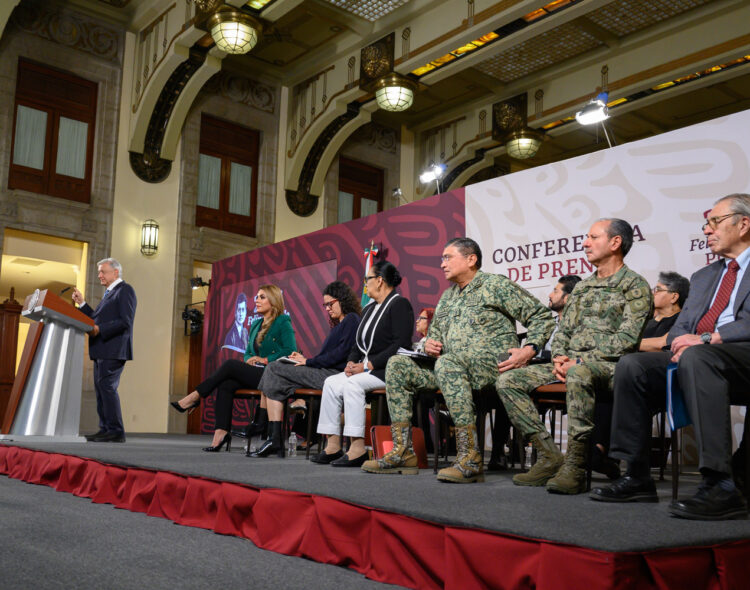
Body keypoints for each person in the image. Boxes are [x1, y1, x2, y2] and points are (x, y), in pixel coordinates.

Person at [592, 194, 750, 520]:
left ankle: (720, 484)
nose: (707, 230)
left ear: (743, 224)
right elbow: (682, 327)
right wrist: (680, 343)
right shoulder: (705, 276)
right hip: (702, 354)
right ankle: (635, 474)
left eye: (715, 222)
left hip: (740, 352)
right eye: (706, 224)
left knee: (700, 357)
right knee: (632, 365)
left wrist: (706, 339)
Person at [362, 237, 555, 482]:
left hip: (492, 365)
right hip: (450, 367)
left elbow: (541, 316)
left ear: (471, 259)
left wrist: (529, 349)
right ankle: (403, 451)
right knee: (398, 365)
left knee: (448, 363)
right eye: (442, 258)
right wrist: (428, 344)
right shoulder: (448, 296)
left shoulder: (495, 285)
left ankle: (469, 457)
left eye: (448, 257)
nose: (442, 264)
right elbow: (434, 336)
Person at [496, 218, 652, 494]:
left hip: (611, 368)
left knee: (580, 374)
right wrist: (558, 358)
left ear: (615, 242)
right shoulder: (582, 287)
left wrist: (578, 362)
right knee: (508, 381)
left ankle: (576, 465)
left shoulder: (634, 286)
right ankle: (549, 455)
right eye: (586, 237)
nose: (585, 243)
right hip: (570, 364)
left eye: (593, 237)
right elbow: (564, 331)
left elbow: (627, 341)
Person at [312, 261, 413, 467]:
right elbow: (358, 345)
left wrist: (368, 365)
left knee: (352, 385)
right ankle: (332, 446)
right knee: (331, 382)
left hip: (386, 370)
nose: (365, 283)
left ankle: (357, 449)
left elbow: (400, 344)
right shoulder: (368, 309)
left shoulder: (399, 304)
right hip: (364, 369)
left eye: (368, 279)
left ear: (380, 280)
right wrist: (351, 362)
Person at [171, 285, 296, 452]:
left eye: (262, 297)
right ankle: (220, 433)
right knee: (226, 384)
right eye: (257, 297)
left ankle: (196, 396)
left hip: (272, 374)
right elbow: (248, 353)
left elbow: (290, 350)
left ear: (273, 300)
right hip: (256, 372)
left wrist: (265, 359)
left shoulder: (282, 321)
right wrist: (249, 359)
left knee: (230, 365)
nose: (257, 301)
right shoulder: (256, 324)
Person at [247, 281, 361, 458]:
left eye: (330, 304)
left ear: (343, 300)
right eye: (325, 305)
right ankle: (273, 436)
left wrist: (308, 361)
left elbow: (341, 354)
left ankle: (268, 430)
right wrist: (303, 360)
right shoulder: (339, 324)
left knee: (274, 368)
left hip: (335, 375)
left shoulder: (352, 319)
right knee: (276, 371)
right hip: (324, 371)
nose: (327, 309)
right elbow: (330, 356)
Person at [72, 258, 137, 443]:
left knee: (107, 387)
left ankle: (116, 431)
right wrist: (82, 304)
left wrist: (101, 329)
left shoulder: (125, 290)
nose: (99, 275)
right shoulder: (109, 293)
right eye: (99, 272)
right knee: (101, 389)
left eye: (103, 271)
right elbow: (96, 320)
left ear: (115, 272)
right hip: (102, 350)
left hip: (114, 349)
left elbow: (125, 321)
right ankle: (105, 429)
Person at [639, 272, 689, 352]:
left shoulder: (683, 321)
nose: (652, 293)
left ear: (674, 297)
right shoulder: (645, 321)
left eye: (658, 290)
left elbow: (664, 343)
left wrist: (624, 345)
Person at [539, 275, 582, 361]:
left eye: (555, 292)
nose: (550, 295)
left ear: (568, 298)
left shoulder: (581, 324)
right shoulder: (549, 323)